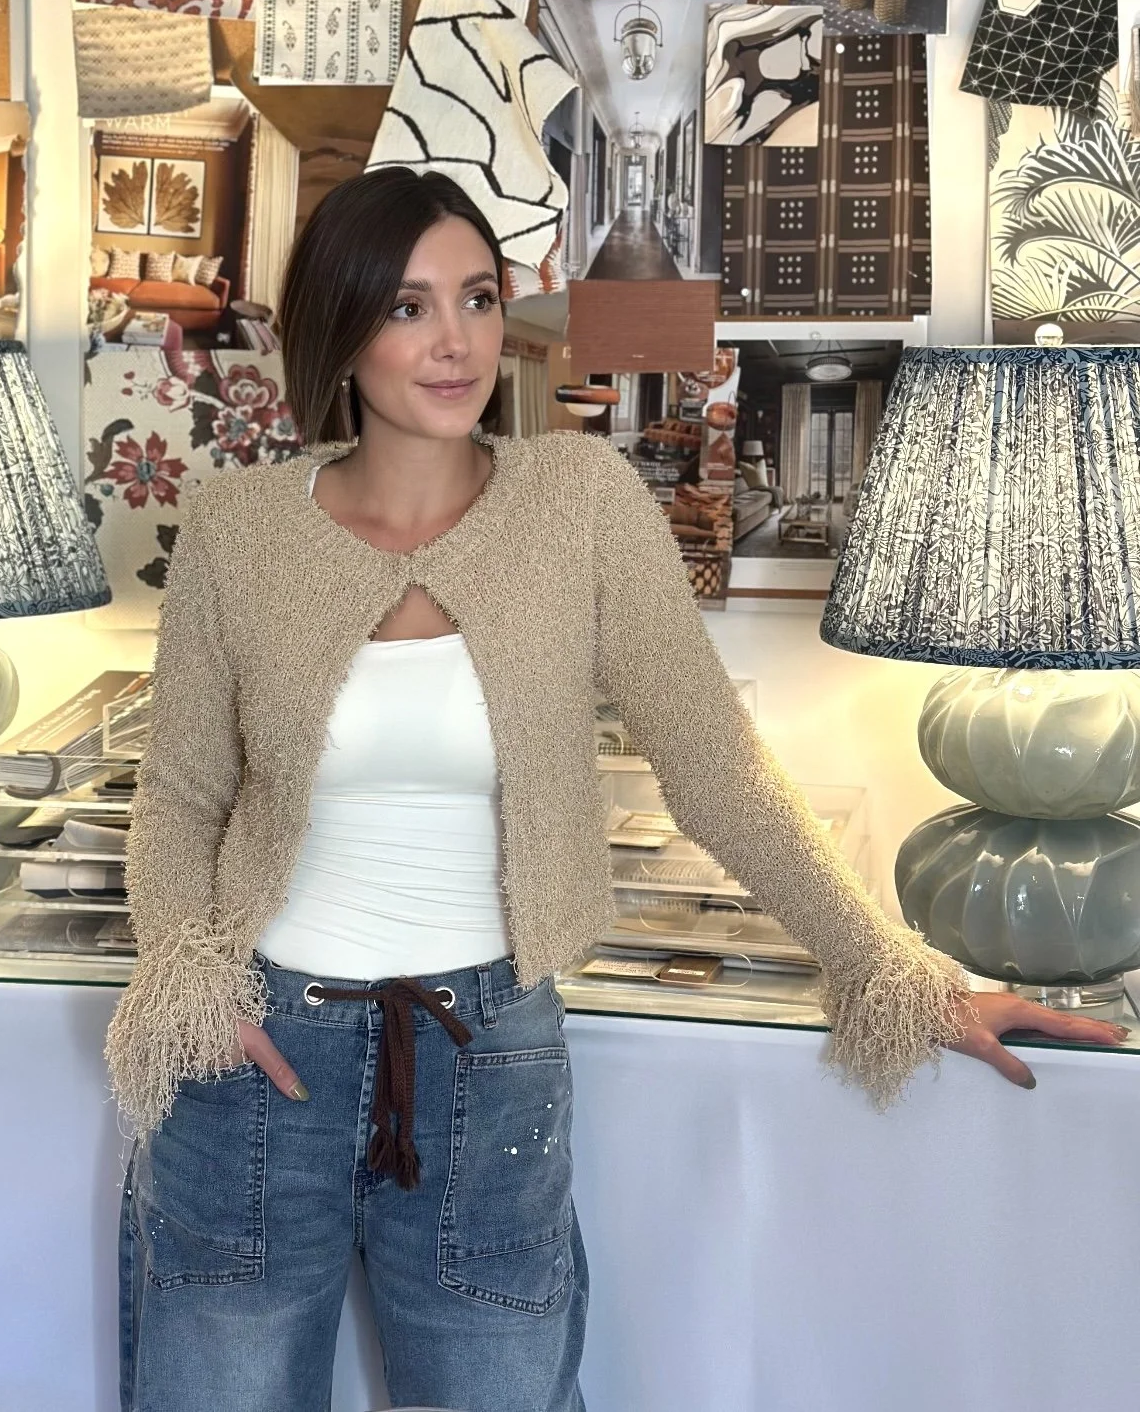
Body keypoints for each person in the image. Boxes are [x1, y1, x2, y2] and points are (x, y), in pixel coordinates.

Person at [107, 167, 1124, 1412]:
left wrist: (893, 967)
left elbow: (716, 768)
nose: (457, 339)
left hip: (490, 1052)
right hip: (255, 1052)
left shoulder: (577, 502)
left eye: (477, 298)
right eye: (410, 306)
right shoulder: (237, 525)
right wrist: (187, 977)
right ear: (343, 328)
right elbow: (181, 796)